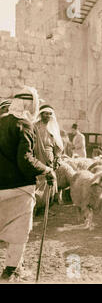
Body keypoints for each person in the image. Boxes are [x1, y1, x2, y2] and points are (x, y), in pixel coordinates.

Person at [0, 87, 56, 282]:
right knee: (18, 234)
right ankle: (10, 272)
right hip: (19, 190)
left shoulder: (1, 122)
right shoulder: (24, 124)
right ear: (28, 104)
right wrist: (47, 170)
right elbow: (25, 160)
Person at [34, 105, 64, 207]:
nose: (48, 116)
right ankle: (37, 206)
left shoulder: (53, 128)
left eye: (50, 114)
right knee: (38, 182)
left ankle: (47, 205)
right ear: (41, 114)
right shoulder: (35, 126)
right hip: (37, 156)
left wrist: (58, 157)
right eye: (46, 113)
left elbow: (58, 146)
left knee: (50, 181)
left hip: (50, 158)